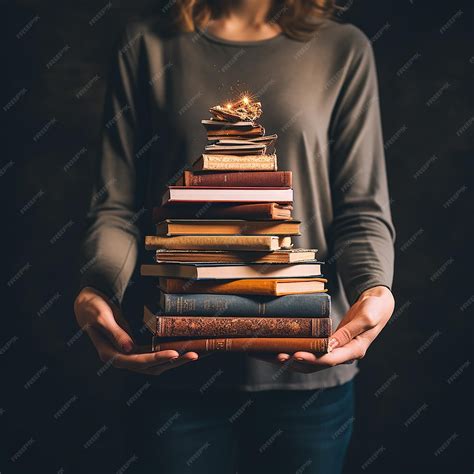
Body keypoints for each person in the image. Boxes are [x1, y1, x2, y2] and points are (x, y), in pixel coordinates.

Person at [74, 1, 395, 472]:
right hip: (175, 371)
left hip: (309, 371)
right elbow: (116, 206)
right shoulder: (147, 43)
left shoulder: (342, 49)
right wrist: (98, 287)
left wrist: (375, 288)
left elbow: (359, 207)